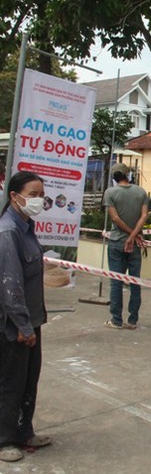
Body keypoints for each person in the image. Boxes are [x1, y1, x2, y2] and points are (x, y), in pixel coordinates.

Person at [0, 171, 52, 463]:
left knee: (29, 379)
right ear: (14, 197)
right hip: (14, 325)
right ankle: (4, 438)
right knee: (11, 382)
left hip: (32, 320)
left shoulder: (26, 227)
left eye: (41, 194)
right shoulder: (8, 231)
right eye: (33, 194)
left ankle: (24, 432)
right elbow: (10, 286)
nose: (39, 200)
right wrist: (22, 326)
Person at [102, 163, 148, 329]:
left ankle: (116, 320)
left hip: (117, 243)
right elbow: (144, 216)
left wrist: (129, 235)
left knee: (116, 282)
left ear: (114, 176)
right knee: (134, 281)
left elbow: (115, 218)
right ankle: (133, 320)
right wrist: (134, 235)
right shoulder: (141, 192)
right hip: (135, 243)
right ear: (128, 174)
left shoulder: (110, 193)